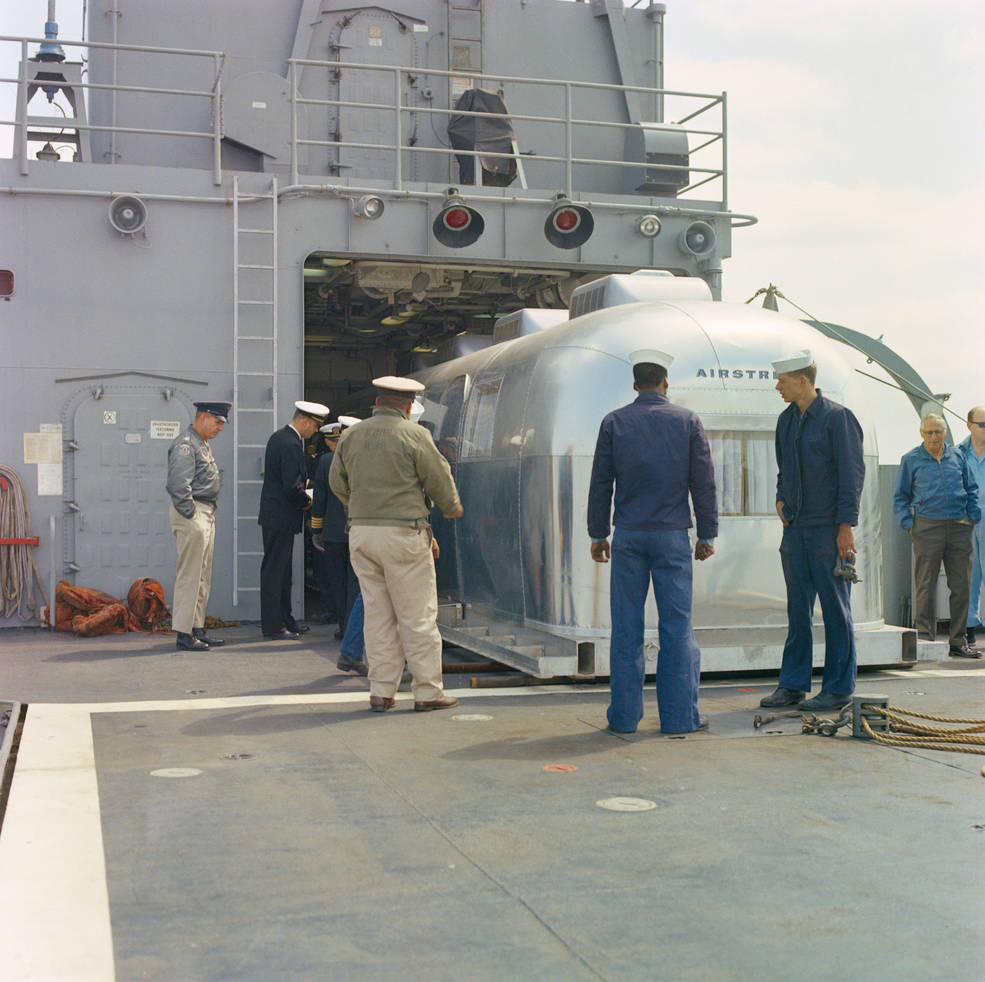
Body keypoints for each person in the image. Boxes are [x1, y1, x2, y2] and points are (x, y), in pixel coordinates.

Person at [587, 350, 718, 735]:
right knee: (677, 628)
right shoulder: (687, 421)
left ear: (634, 385)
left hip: (628, 535)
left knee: (626, 628)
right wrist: (707, 534)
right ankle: (680, 719)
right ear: (665, 383)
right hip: (672, 536)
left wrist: (599, 534)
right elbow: (703, 482)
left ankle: (625, 719)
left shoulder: (614, 422)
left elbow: (600, 483)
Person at [329, 376, 463, 712]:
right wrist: (451, 508)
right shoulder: (415, 434)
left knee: (378, 614)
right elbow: (438, 477)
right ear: (407, 406)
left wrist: (360, 508)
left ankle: (381, 691)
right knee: (416, 615)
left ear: (377, 403)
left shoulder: (351, 435)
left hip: (361, 534)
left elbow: (336, 482)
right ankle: (428, 692)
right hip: (403, 535)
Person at [759, 351, 865, 712]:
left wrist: (845, 529)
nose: (778, 387)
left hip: (828, 532)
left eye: (782, 381)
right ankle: (792, 685)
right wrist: (778, 499)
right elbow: (783, 469)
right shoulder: (785, 421)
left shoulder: (838, 419)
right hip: (796, 531)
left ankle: (838, 688)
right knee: (797, 611)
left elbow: (852, 478)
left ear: (802, 380)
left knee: (836, 611)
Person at [893, 413, 981, 658]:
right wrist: (909, 524)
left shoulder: (958, 456)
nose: (934, 436)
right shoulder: (911, 460)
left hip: (959, 527)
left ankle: (958, 642)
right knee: (925, 586)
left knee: (962, 586)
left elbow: (971, 487)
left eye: (938, 432)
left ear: (945, 432)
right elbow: (900, 498)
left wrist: (973, 516)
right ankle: (924, 641)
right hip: (927, 527)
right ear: (922, 433)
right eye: (929, 432)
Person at [258, 400, 329, 640]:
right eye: (315, 426)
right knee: (276, 572)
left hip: (277, 517)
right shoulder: (289, 444)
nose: (316, 431)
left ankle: (285, 620)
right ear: (306, 421)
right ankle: (274, 626)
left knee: (282, 572)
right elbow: (291, 487)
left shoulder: (282, 438)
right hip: (280, 517)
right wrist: (309, 501)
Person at [166, 401, 232, 651]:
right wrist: (192, 514)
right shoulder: (186, 444)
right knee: (190, 575)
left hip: (205, 512)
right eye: (217, 422)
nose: (220, 428)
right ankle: (184, 633)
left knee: (202, 575)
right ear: (202, 418)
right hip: (193, 513)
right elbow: (177, 485)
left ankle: (196, 627)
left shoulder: (200, 443)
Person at [311, 416, 363, 670]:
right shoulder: (366, 459)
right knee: (356, 582)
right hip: (357, 529)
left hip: (332, 531)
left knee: (336, 580)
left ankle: (343, 626)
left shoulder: (326, 460)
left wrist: (316, 528)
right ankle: (353, 629)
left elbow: (319, 496)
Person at [960, 406, 985, 651]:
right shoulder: (958, 454)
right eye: (983, 425)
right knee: (969, 577)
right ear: (969, 426)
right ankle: (968, 631)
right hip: (967, 522)